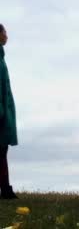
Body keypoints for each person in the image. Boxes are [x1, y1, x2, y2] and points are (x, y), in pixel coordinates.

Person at [0, 24, 18, 199]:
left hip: (4, 112)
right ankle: (5, 190)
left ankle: (5, 189)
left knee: (2, 150)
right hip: (1, 113)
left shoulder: (1, 57)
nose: (7, 35)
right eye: (4, 32)